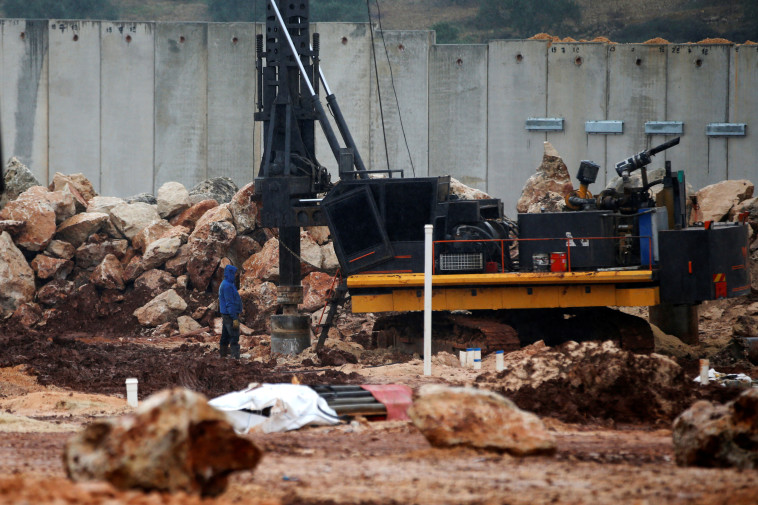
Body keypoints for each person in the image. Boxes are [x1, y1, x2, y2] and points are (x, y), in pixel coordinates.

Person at [218, 264, 242, 359]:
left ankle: (223, 355)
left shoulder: (227, 283)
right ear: (231, 273)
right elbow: (229, 303)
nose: (236, 275)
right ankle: (235, 357)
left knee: (225, 334)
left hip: (226, 314)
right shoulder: (227, 286)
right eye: (235, 273)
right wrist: (234, 317)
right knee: (234, 336)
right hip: (229, 315)